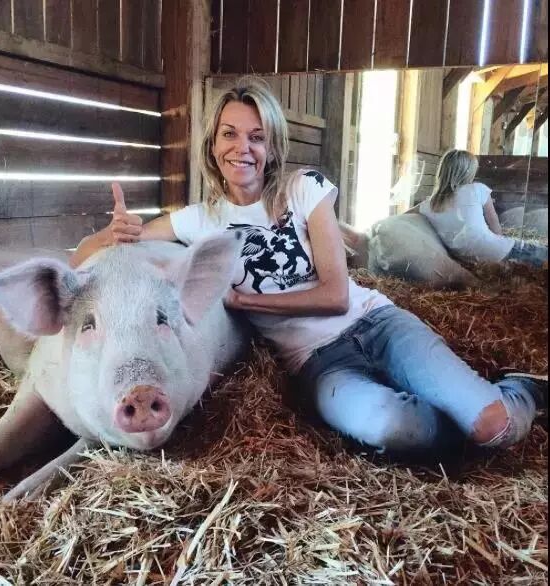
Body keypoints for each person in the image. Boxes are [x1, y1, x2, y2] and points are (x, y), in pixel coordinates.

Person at [72, 78, 546, 458]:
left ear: (272, 146)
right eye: (230, 134)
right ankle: (456, 420)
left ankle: (523, 391)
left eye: (257, 137)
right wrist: (116, 230)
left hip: (377, 323)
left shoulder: (304, 188)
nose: (242, 147)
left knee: (494, 427)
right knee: (395, 428)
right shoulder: (198, 219)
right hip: (318, 363)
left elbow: (336, 295)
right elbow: (86, 256)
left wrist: (245, 301)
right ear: (213, 145)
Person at [418, 149, 548, 268]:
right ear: (467, 172)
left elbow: (410, 212)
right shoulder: (477, 189)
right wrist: (501, 242)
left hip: (472, 260)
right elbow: (494, 223)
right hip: (502, 251)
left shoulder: (426, 206)